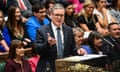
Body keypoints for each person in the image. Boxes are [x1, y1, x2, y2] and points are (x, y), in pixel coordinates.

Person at [34, 3, 86, 72]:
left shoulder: (69, 30)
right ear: (51, 15)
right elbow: (37, 49)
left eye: (61, 15)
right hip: (48, 68)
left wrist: (78, 51)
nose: (59, 18)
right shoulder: (42, 30)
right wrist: (48, 44)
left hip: (64, 68)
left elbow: (72, 49)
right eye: (57, 15)